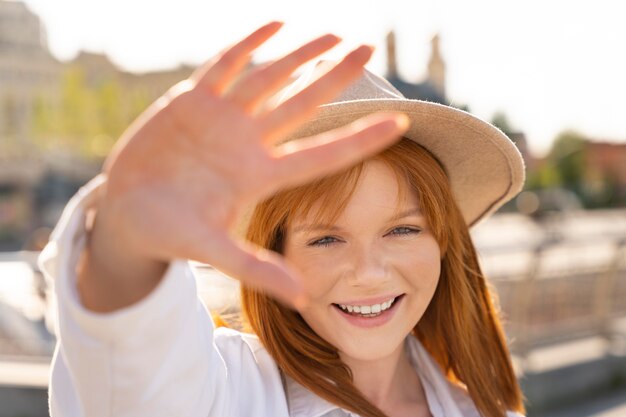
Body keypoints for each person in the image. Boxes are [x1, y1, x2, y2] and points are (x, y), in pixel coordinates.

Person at [39, 21, 527, 417]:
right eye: (325, 240)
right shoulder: (227, 394)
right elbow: (135, 377)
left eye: (402, 229)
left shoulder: (480, 407)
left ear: (443, 240)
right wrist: (126, 241)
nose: (370, 272)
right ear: (275, 251)